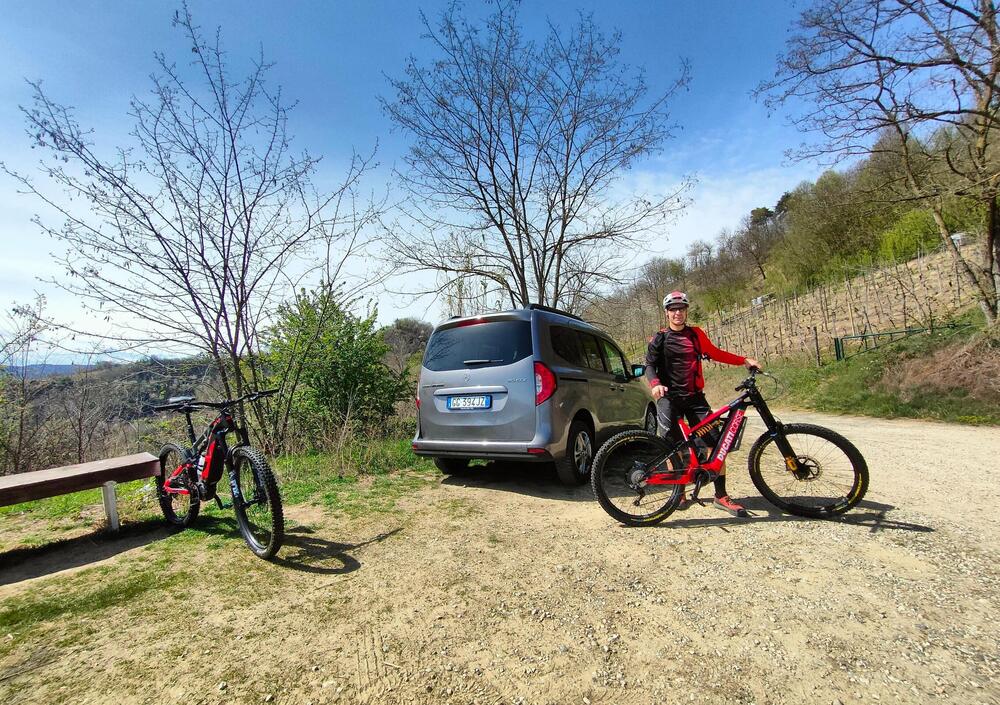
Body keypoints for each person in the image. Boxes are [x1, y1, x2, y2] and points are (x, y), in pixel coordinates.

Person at [644, 290, 760, 517]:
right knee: (672, 446)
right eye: (673, 309)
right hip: (669, 398)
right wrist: (655, 383)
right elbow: (649, 366)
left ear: (686, 311)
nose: (677, 313)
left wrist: (743, 360)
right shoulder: (660, 338)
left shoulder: (696, 335)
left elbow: (715, 353)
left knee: (715, 444)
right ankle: (678, 493)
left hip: (695, 398)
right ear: (667, 313)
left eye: (681, 308)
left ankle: (721, 495)